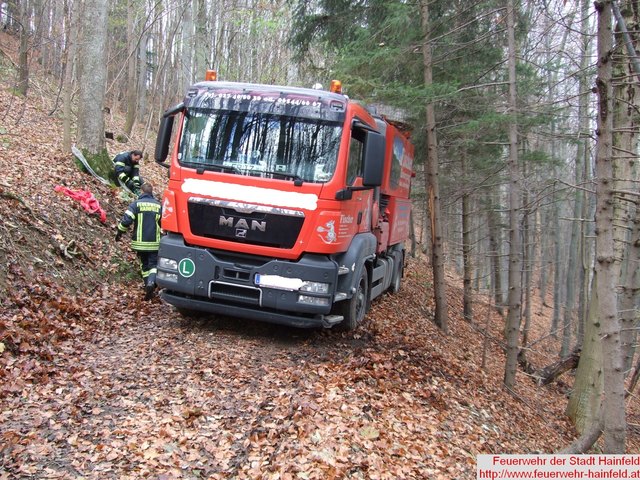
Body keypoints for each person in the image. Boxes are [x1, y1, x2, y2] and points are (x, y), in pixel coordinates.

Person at [115, 182, 162, 300]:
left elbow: (126, 221)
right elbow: (164, 224)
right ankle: (151, 283)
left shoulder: (135, 204)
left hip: (140, 242)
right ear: (151, 193)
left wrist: (119, 232)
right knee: (153, 264)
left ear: (141, 191)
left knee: (144, 265)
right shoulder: (158, 206)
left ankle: (147, 286)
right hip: (154, 243)